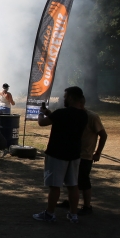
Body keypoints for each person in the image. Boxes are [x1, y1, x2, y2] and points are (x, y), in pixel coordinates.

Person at [33, 86, 88, 224]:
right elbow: (63, 121)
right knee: (73, 185)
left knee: (55, 186)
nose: (63, 99)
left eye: (64, 97)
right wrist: (49, 113)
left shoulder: (61, 113)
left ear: (70, 98)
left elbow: (42, 123)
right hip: (74, 153)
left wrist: (41, 113)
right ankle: (73, 214)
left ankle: (50, 213)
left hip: (57, 153)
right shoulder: (83, 115)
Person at [57, 98, 107, 215]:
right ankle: (71, 201)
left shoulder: (92, 116)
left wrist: (98, 152)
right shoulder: (73, 116)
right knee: (71, 180)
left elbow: (103, 135)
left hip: (85, 155)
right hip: (72, 153)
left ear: (80, 103)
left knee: (83, 180)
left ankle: (87, 206)